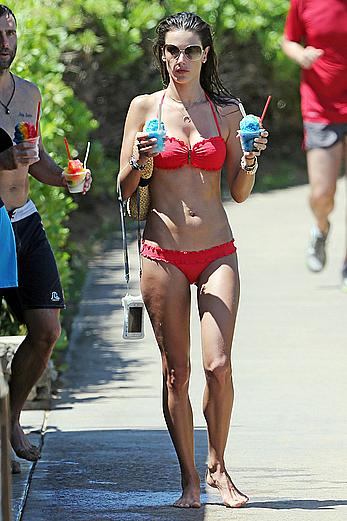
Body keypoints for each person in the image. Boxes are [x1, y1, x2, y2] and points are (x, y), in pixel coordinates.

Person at [118, 12, 268, 508]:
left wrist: (249, 159)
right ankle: (188, 479)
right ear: (162, 55)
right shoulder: (144, 108)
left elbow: (240, 193)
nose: (180, 60)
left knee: (218, 363)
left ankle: (218, 466)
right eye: (171, 51)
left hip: (216, 250)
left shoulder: (227, 111)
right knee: (176, 373)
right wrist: (142, 160)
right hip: (162, 254)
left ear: (206, 55)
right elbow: (124, 191)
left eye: (191, 51)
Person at [0, 5, 91, 462]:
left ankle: (11, 418)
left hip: (25, 221)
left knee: (47, 329)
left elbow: (33, 158)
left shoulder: (28, 93)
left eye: (10, 32)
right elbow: (11, 159)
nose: (4, 43)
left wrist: (67, 178)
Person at [282, 0, 347, 285]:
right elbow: (289, 40)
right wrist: (301, 54)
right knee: (322, 195)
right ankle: (321, 228)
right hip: (321, 107)